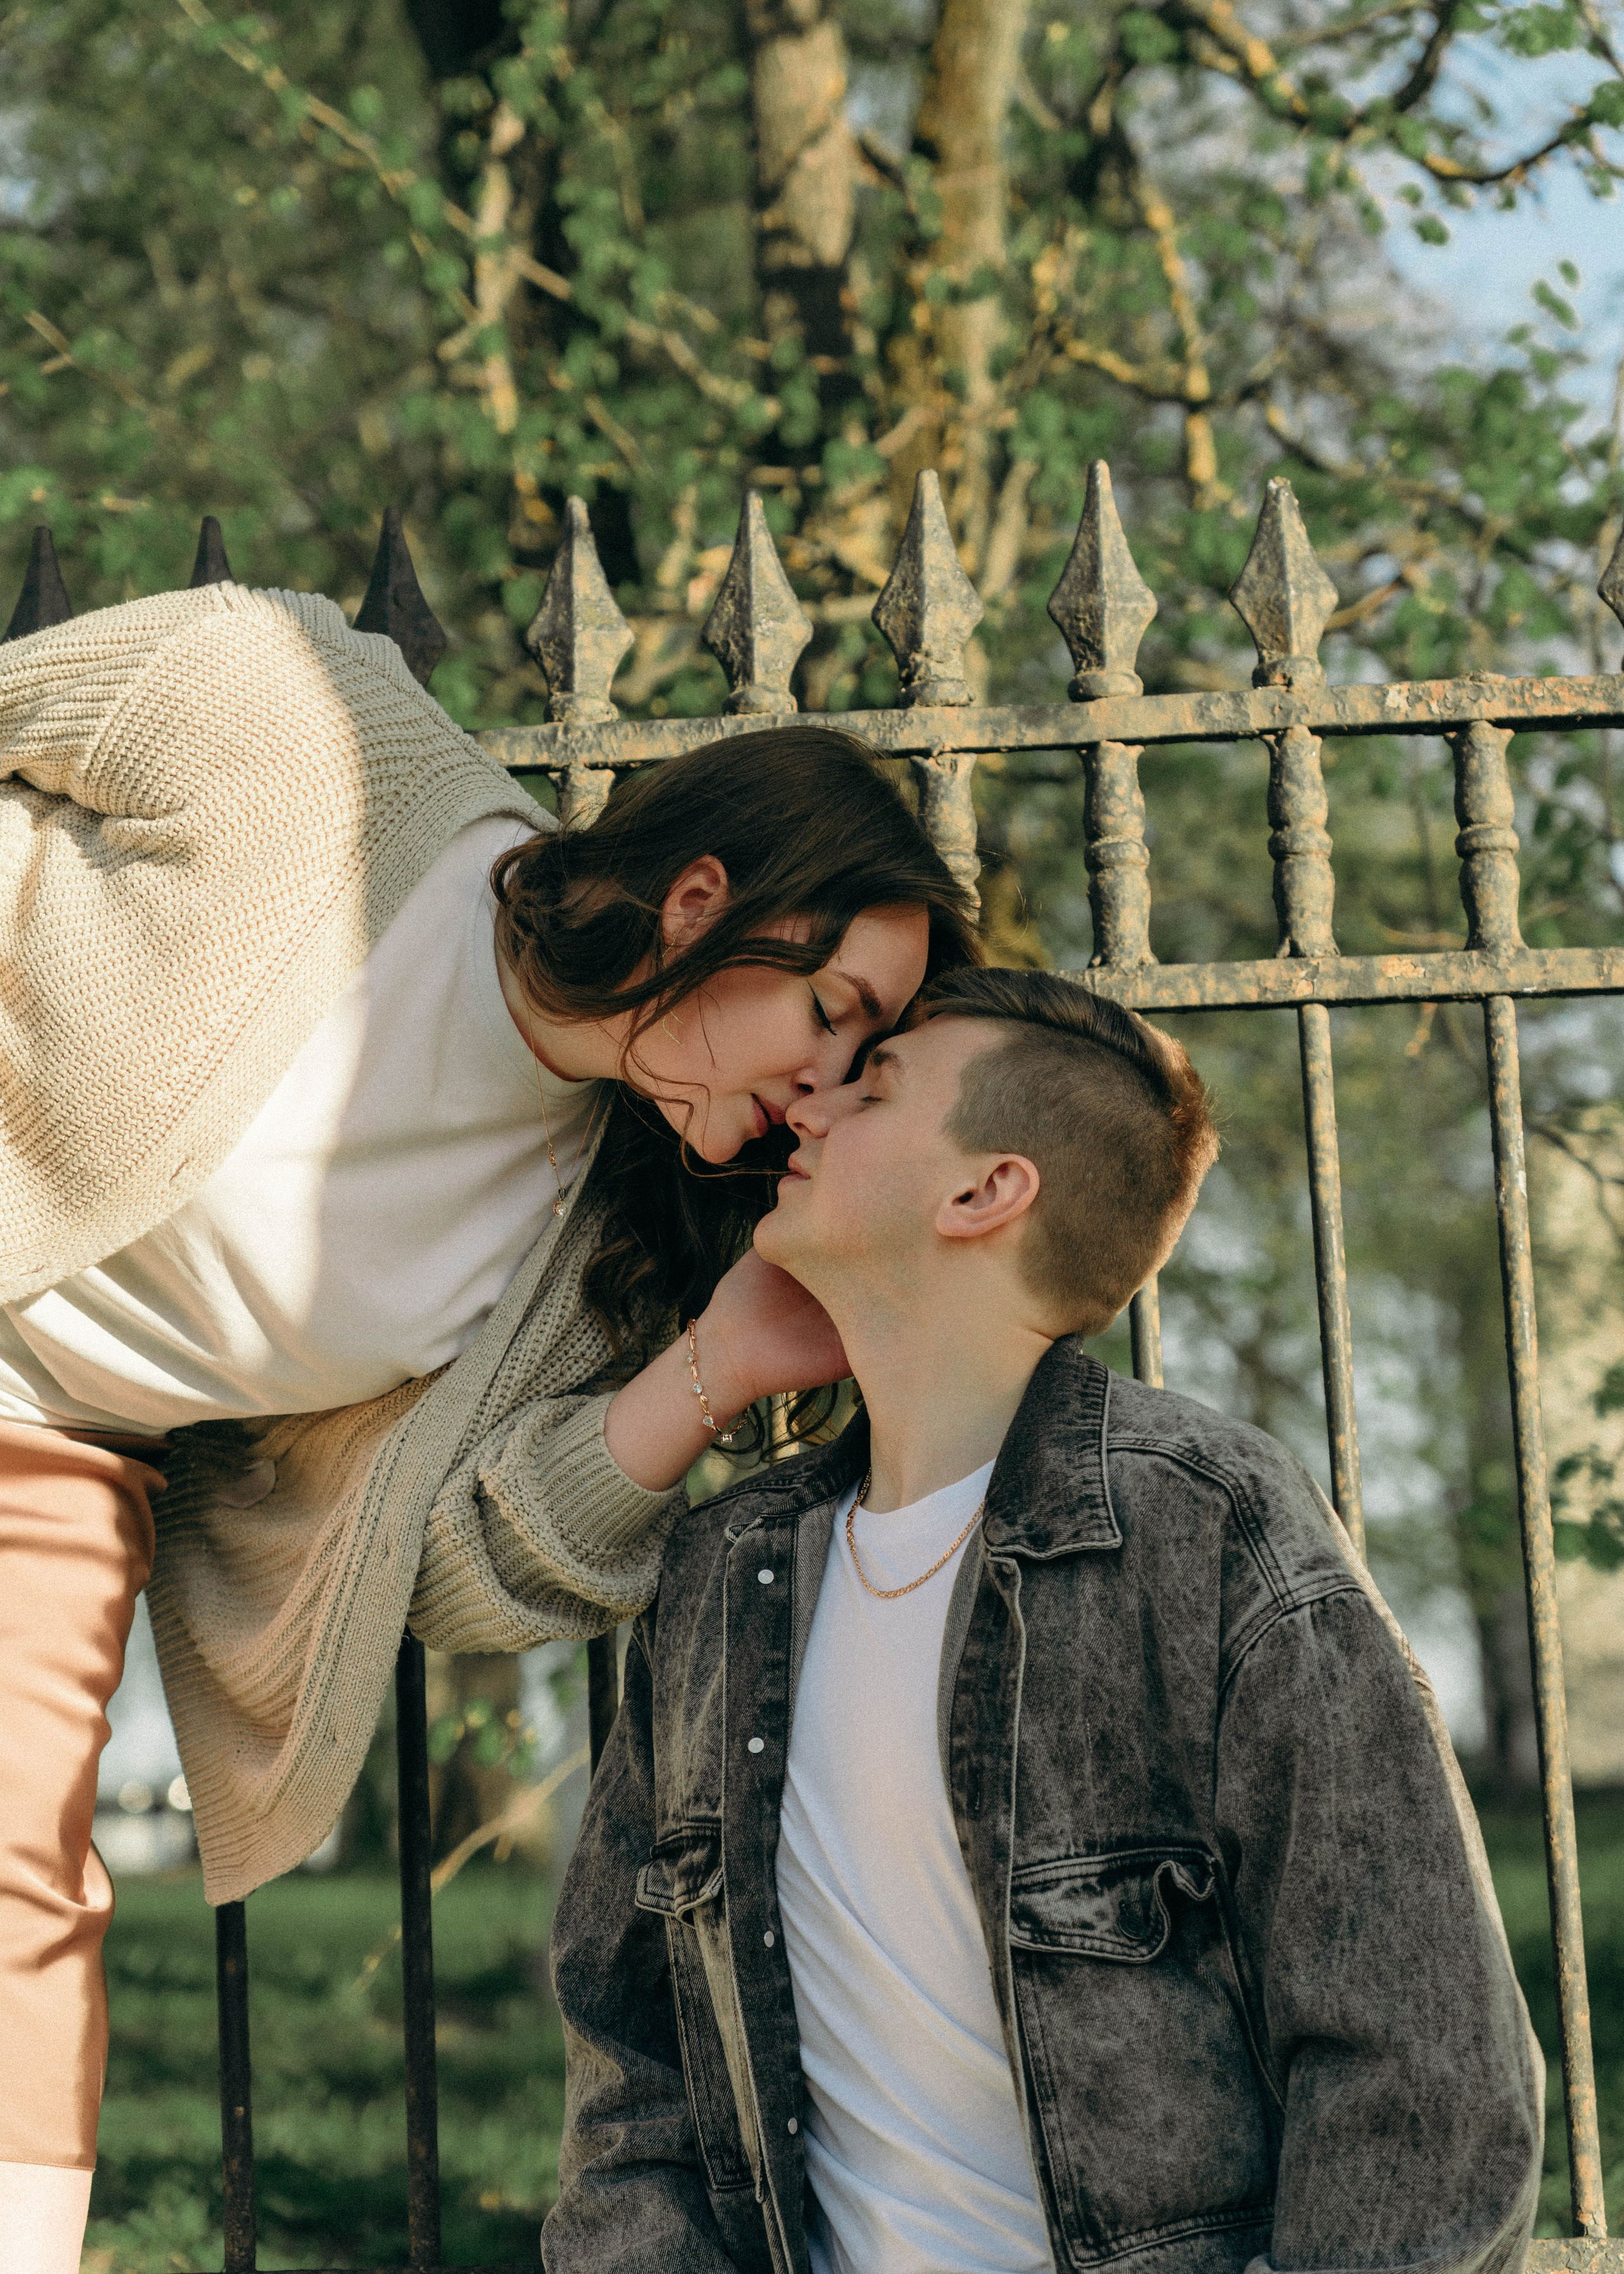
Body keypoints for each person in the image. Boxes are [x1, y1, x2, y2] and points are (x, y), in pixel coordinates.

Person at [0, 570, 977, 2273]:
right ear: (700, 899)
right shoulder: (298, 725)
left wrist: (722, 1364)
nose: (829, 1088)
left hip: (51, 1451)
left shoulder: (601, 1237)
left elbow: (443, 1569)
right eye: (835, 1015)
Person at [546, 968, 1544, 2274]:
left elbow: (1424, 2087)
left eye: (878, 1083)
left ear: (982, 1190)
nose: (814, 1103)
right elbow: (633, 2072)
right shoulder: (723, 1575)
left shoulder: (1207, 1533)